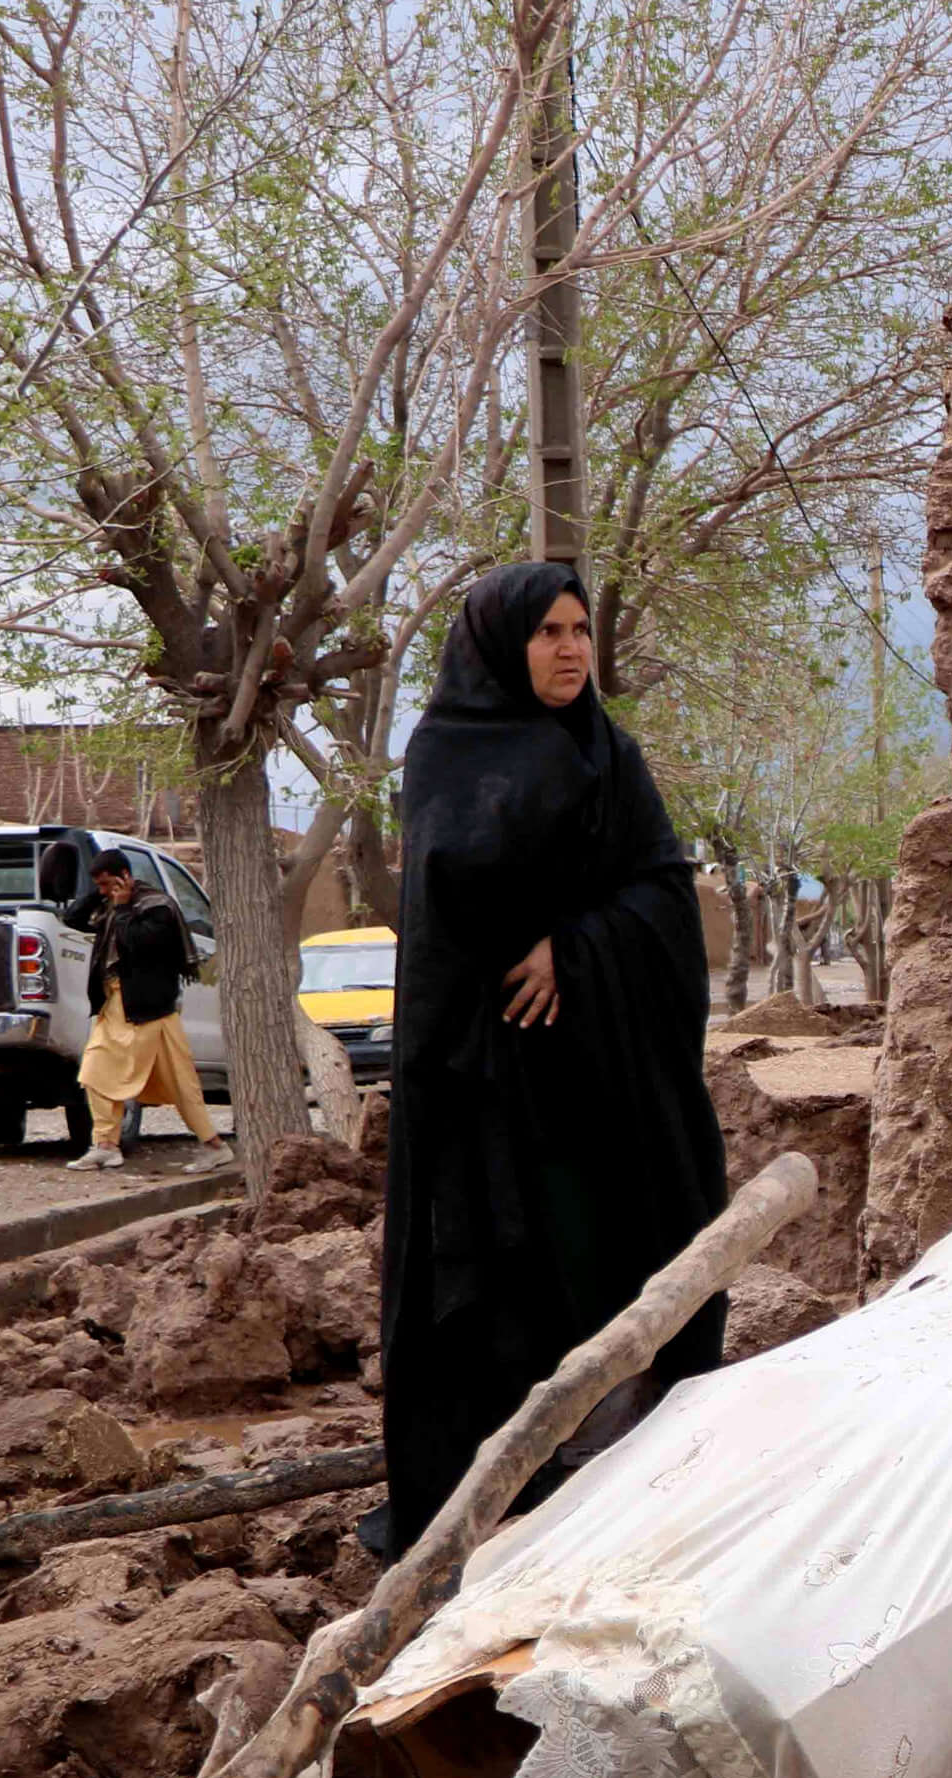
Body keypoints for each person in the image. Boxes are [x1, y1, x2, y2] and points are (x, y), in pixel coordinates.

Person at [377, 563, 727, 1555]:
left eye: (580, 630)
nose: (571, 648)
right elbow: (445, 922)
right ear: (502, 646)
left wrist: (571, 945)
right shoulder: (445, 752)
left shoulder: (608, 754)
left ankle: (619, 1498)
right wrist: (517, 946)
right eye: (548, 632)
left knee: (611, 1268)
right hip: (487, 1093)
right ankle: (503, 1513)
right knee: (504, 1299)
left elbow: (664, 889)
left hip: (599, 1087)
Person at [62, 849, 233, 1174]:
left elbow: (135, 944)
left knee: (182, 1084)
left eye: (106, 882)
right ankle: (106, 1145)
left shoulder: (157, 908)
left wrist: (124, 906)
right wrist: (100, 893)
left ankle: (214, 1146)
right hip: (116, 1007)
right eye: (98, 885)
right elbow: (72, 918)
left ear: (125, 875)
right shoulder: (108, 904)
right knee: (95, 1072)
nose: (102, 890)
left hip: (149, 1011)